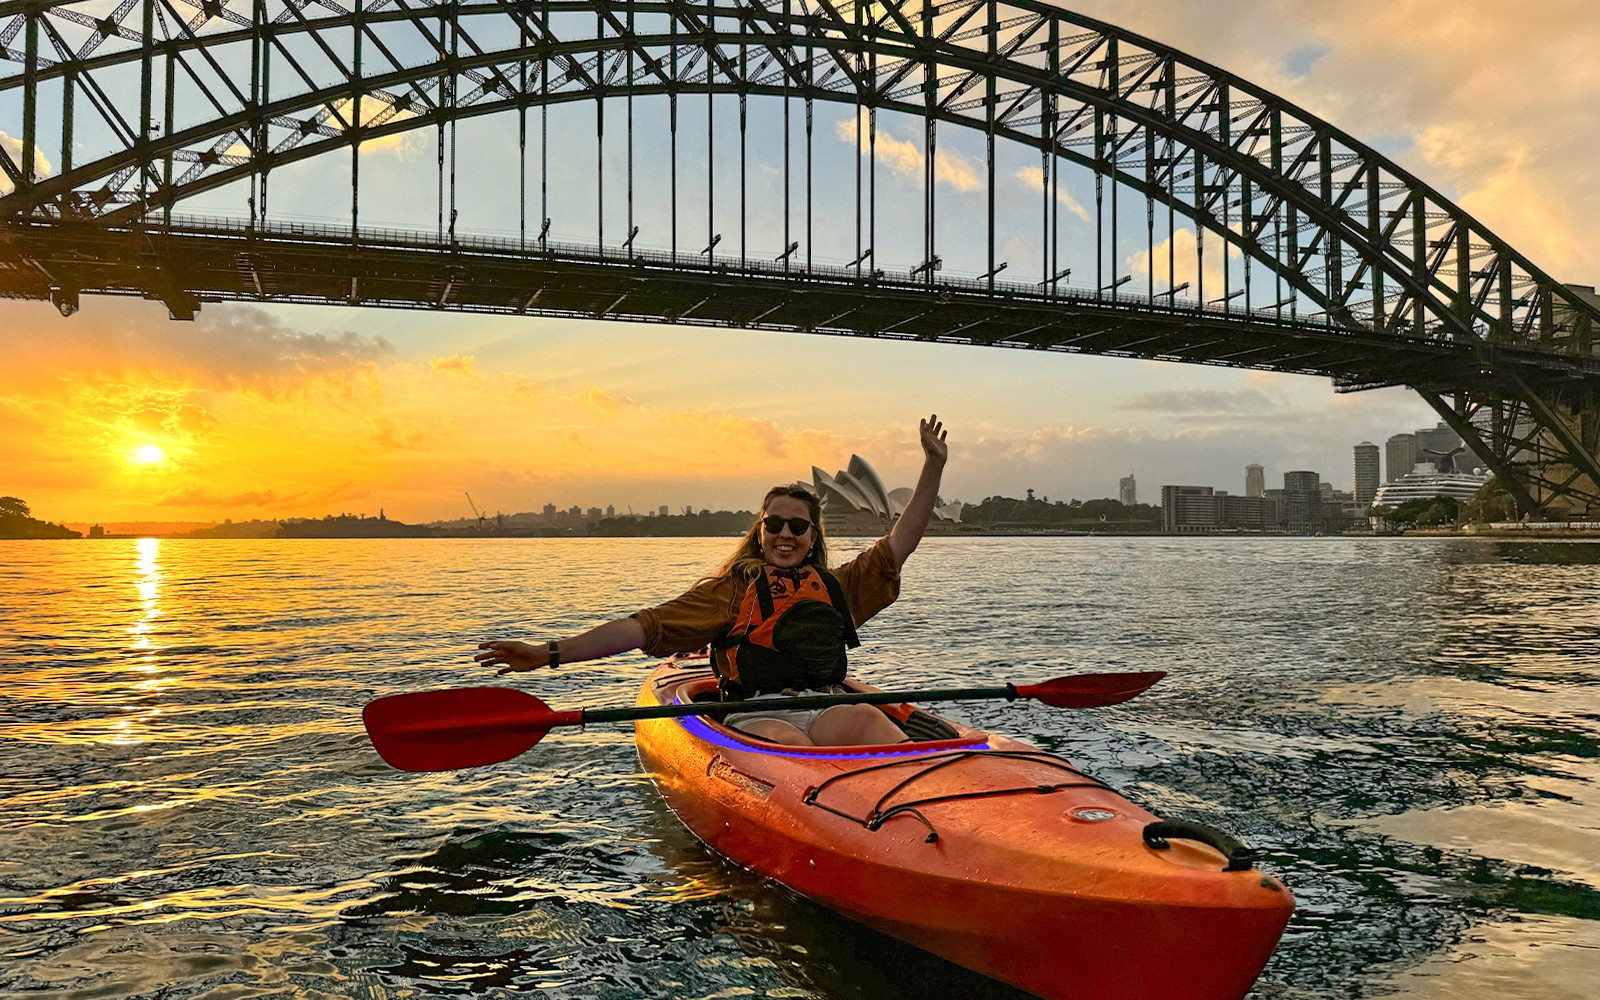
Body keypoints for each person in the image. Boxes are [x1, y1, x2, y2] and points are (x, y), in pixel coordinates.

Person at [474, 414, 950, 746]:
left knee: (867, 717)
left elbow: (900, 542)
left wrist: (933, 467)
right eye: (775, 524)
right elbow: (642, 627)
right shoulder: (731, 591)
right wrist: (547, 654)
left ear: (812, 535)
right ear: (760, 531)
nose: (786, 534)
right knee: (784, 740)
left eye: (798, 526)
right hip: (756, 713)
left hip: (827, 706)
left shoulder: (837, 587)